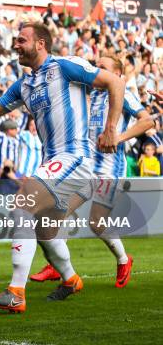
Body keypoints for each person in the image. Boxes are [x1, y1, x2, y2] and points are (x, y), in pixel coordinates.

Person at [0, 22, 125, 313]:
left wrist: (111, 128)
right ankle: (72, 279)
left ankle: (16, 292)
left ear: (40, 44)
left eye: (21, 40)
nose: (15, 45)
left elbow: (116, 82)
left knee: (23, 201)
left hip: (75, 157)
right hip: (55, 162)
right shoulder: (24, 84)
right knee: (45, 230)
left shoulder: (64, 66)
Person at [30, 55, 154, 287]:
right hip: (85, 167)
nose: (97, 70)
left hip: (109, 168)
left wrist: (119, 137)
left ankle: (123, 259)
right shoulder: (92, 95)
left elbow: (147, 122)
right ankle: (55, 266)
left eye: (103, 67)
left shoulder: (123, 93)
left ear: (116, 74)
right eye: (97, 66)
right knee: (56, 214)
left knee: (96, 222)